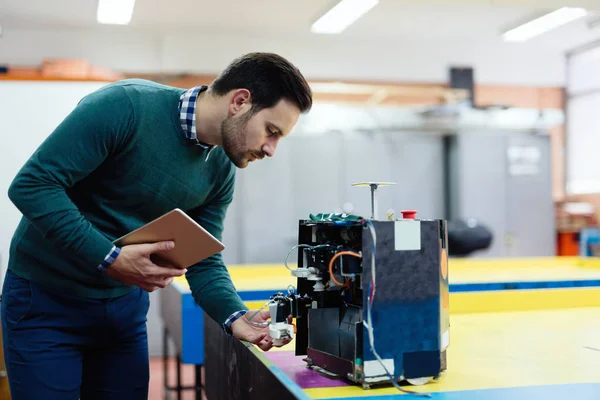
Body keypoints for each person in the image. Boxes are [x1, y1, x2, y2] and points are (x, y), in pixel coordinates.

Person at [1, 52, 313, 399]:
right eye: (271, 131)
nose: (271, 149)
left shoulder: (220, 169)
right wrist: (110, 258)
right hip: (46, 303)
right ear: (239, 102)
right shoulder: (126, 107)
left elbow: (203, 258)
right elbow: (33, 185)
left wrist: (234, 315)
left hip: (123, 312)